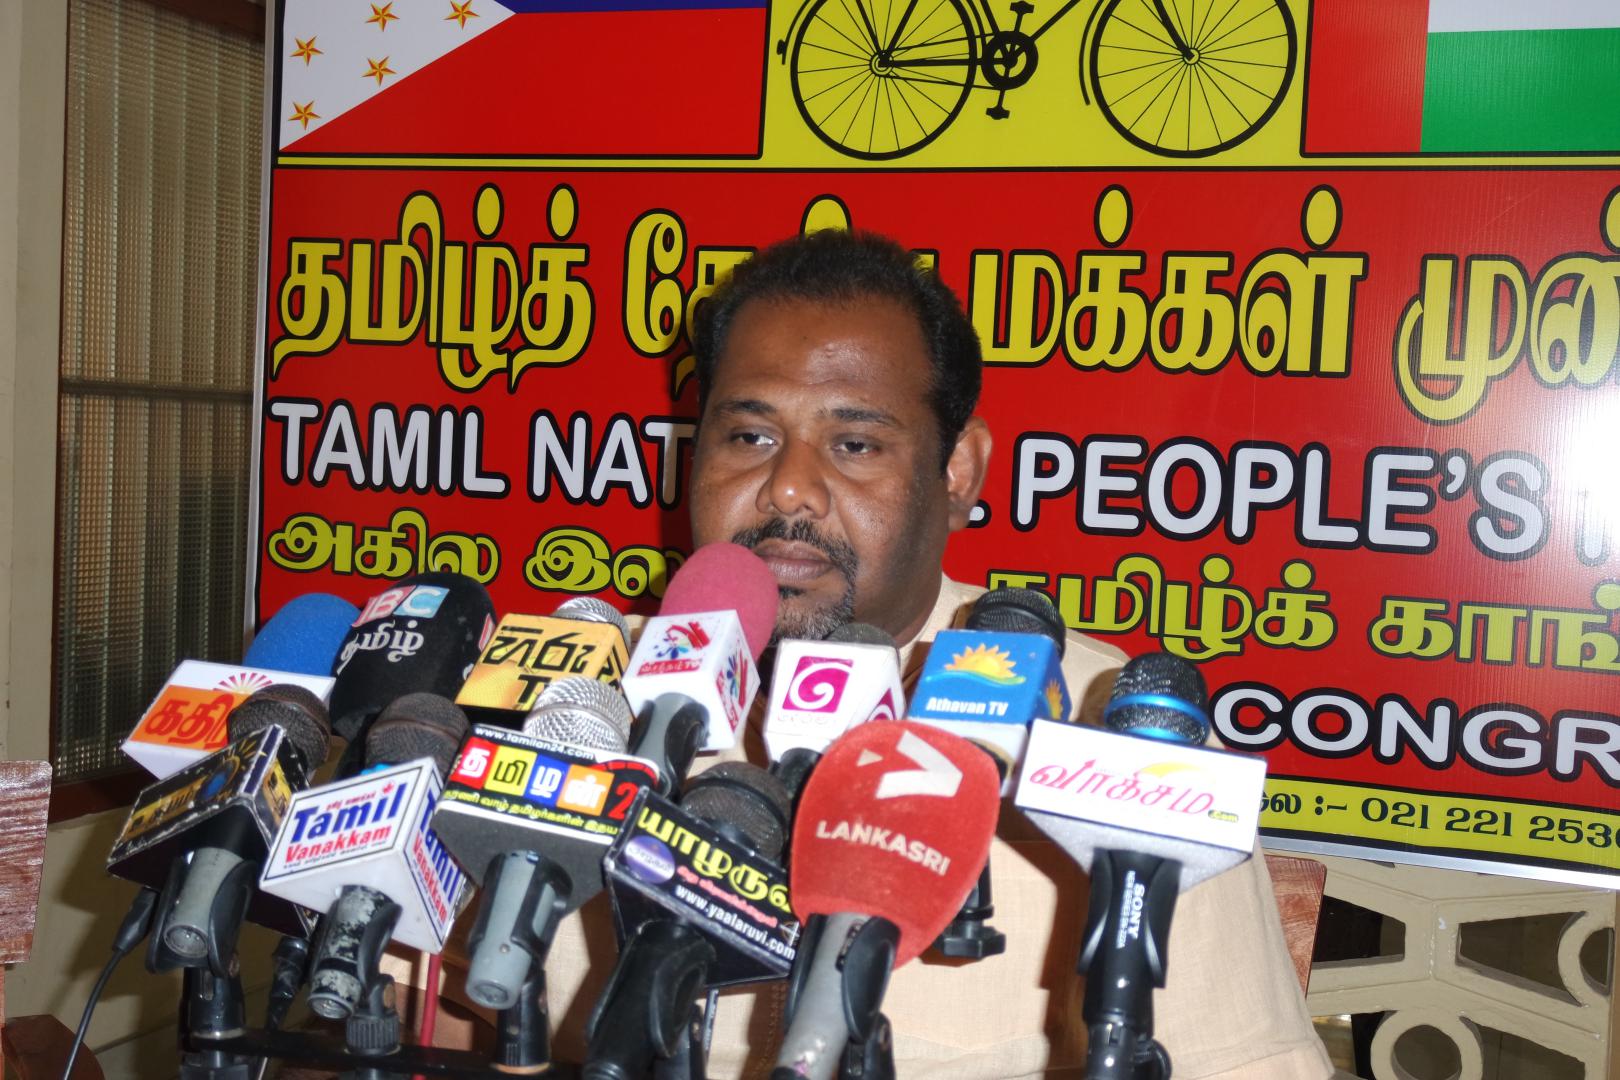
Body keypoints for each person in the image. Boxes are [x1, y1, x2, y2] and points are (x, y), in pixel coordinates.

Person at [413, 229, 1334, 1078]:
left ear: (956, 471)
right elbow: (442, 1017)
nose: (788, 488)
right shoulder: (578, 697)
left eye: (853, 444)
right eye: (749, 436)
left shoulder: (1116, 734)